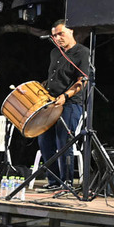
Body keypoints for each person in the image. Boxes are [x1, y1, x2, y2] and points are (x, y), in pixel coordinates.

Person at [38, 19, 90, 190]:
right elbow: (54, 79)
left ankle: (67, 182)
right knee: (44, 140)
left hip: (70, 103)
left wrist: (65, 95)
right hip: (51, 103)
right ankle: (54, 181)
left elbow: (82, 80)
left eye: (61, 33)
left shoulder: (82, 52)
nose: (57, 38)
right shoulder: (55, 53)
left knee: (64, 141)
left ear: (71, 31)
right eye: (54, 35)